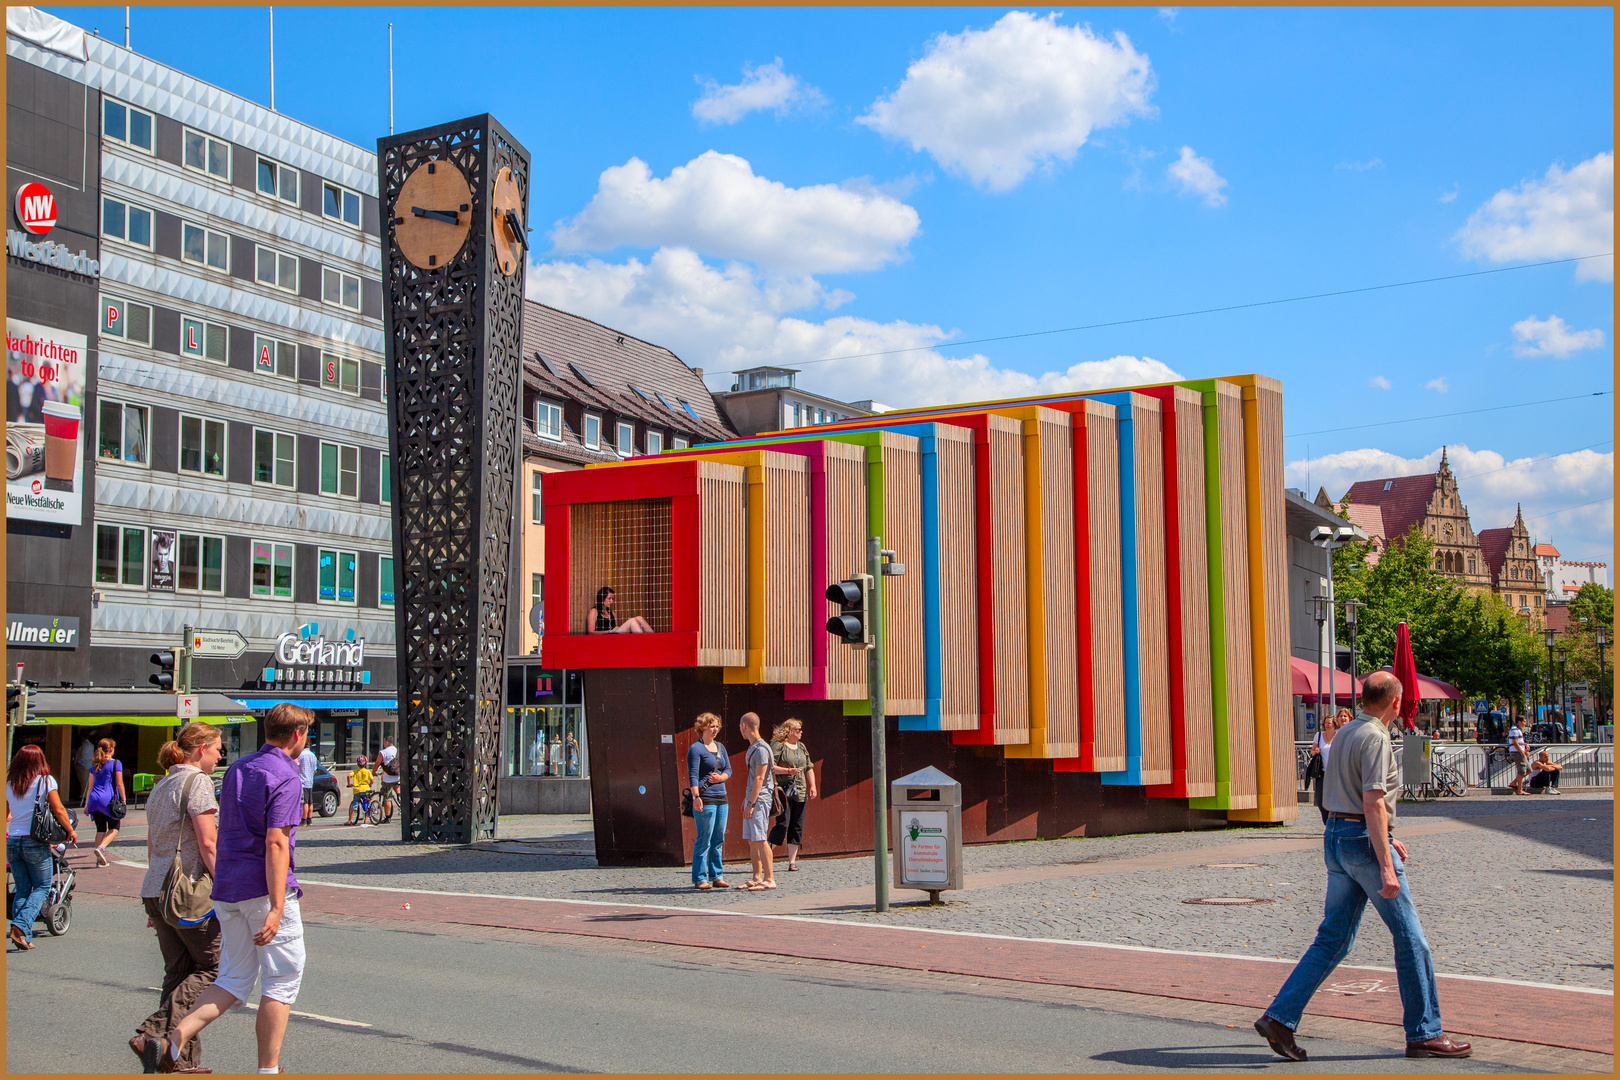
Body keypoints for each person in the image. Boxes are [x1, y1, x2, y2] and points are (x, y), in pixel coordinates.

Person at [1254, 671, 1471, 1062]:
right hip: (1360, 842)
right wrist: (1385, 860)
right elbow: (1372, 800)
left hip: (1337, 835)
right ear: (1396, 702)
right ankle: (1424, 1033)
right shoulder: (1375, 737)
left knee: (1332, 938)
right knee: (1411, 939)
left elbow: (1350, 795)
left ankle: (1280, 1018)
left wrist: (1385, 834)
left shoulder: (1346, 732)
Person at [145, 704, 313, 1074]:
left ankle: (172, 1040)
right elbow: (276, 843)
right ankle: (268, 1070)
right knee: (282, 981)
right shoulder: (287, 775)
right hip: (263, 888)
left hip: (227, 886)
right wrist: (275, 906)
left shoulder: (239, 767)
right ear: (298, 734)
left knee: (234, 978)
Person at [132, 725, 222, 1074]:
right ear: (199, 749)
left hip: (156, 887)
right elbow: (208, 843)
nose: (219, 755)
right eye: (216, 749)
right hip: (186, 892)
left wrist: (156, 897)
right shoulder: (196, 781)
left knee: (178, 974)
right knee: (214, 969)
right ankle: (152, 1033)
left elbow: (153, 844)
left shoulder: (161, 785)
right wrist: (226, 885)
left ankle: (175, 1058)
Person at [6, 744, 77, 951]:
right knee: (42, 887)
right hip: (34, 842)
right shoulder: (45, 781)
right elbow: (58, 809)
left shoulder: (10, 783)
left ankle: (24, 937)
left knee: (22, 889)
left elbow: (6, 812)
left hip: (14, 842)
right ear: (40, 761)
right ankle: (20, 925)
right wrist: (70, 831)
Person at [686, 713, 731, 890]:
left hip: (722, 797)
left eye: (717, 726)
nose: (715, 729)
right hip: (706, 798)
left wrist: (722, 778)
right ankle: (699, 878)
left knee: (718, 838)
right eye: (712, 726)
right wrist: (696, 797)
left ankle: (717, 875)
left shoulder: (720, 747)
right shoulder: (696, 749)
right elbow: (693, 775)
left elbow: (728, 769)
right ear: (703, 727)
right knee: (704, 838)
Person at [768, 719, 817, 871]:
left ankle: (792, 862)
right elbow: (770, 767)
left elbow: (809, 767)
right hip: (783, 791)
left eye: (801, 729)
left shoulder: (801, 747)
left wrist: (813, 785)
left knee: (797, 825)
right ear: (789, 731)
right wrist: (788, 771)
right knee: (783, 824)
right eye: (798, 729)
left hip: (799, 791)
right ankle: (765, 854)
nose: (801, 732)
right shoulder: (778, 746)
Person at [738, 712, 776, 891]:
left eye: (740, 727)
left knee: (760, 838)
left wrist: (751, 803)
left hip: (760, 799)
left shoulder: (761, 749)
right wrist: (746, 799)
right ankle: (756, 876)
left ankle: (769, 879)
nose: (740, 730)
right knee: (752, 839)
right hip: (752, 798)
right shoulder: (753, 748)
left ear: (744, 726)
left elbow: (760, 778)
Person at [86, 737, 127, 867]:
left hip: (94, 799)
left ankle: (99, 860)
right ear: (110, 749)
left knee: (100, 829)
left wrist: (87, 804)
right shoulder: (116, 764)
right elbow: (119, 783)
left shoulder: (95, 765)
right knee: (115, 828)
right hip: (108, 799)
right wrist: (124, 799)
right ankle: (101, 848)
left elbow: (90, 786)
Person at [1308, 710, 1349, 826]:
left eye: (1329, 723)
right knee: (1320, 800)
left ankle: (1334, 822)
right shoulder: (1319, 735)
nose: (1327, 725)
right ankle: (1327, 821)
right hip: (1322, 772)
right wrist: (1315, 751)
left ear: (1334, 724)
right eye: (1325, 723)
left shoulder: (1339, 735)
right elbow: (1312, 751)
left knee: (1335, 798)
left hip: (1335, 772)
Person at [585, 586, 653, 634]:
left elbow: (616, 628)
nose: (611, 601)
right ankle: (644, 642)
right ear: (602, 598)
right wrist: (609, 631)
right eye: (609, 598)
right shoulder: (594, 611)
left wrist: (615, 630)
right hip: (604, 638)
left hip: (614, 636)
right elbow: (591, 632)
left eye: (612, 599)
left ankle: (655, 639)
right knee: (632, 621)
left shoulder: (612, 613)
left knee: (639, 618)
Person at [376, 736, 400, 822]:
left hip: (387, 778)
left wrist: (373, 772)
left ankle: (387, 817)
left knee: (387, 797)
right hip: (397, 776)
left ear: (386, 742)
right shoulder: (397, 750)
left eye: (384, 741)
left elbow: (377, 764)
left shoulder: (383, 752)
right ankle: (399, 796)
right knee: (396, 785)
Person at [346, 756, 374, 826]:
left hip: (357, 790)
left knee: (355, 805)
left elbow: (348, 776)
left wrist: (349, 784)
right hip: (365, 789)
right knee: (366, 803)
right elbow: (372, 780)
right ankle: (366, 820)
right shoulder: (367, 771)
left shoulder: (355, 772)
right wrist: (369, 784)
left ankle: (349, 820)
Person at [296, 743, 318, 828]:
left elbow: (296, 766)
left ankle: (304, 819)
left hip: (303, 781)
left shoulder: (301, 755)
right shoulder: (313, 755)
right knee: (310, 802)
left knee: (304, 802)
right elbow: (314, 770)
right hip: (310, 781)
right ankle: (309, 819)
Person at [1506, 719, 1530, 795]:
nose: (1525, 724)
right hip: (1517, 753)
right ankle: (1520, 790)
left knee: (1528, 769)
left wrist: (1525, 744)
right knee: (1521, 771)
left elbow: (1518, 741)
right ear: (1519, 721)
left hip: (1519, 752)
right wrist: (1521, 751)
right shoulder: (1514, 730)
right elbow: (1515, 742)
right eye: (1524, 722)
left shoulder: (1518, 730)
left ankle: (1514, 783)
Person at [74, 734, 95, 806]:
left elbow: (83, 755)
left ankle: (84, 797)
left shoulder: (85, 746)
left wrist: (78, 762)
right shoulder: (91, 745)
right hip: (89, 765)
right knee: (86, 782)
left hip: (83, 765)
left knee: (83, 781)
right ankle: (85, 796)